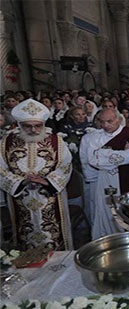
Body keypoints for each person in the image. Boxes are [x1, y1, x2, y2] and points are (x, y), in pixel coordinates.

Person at [0, 99, 73, 250]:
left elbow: (66, 165)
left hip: (51, 196)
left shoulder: (56, 141)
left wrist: (48, 181)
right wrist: (20, 182)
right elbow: (1, 169)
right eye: (28, 126)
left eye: (38, 126)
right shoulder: (6, 142)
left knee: (55, 235)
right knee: (24, 236)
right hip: (20, 197)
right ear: (20, 125)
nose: (33, 130)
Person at [80, 108, 129, 239]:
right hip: (105, 180)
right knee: (106, 209)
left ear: (119, 120)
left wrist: (102, 153)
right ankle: (108, 239)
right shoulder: (94, 137)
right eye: (102, 122)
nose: (105, 125)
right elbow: (92, 159)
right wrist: (119, 152)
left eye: (109, 121)